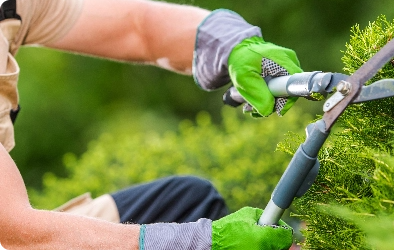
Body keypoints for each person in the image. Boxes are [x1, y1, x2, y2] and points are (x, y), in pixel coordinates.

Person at [0, 0, 302, 249]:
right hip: (17, 234)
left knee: (189, 202)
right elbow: (17, 232)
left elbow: (136, 27)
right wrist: (196, 241)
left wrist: (232, 44)